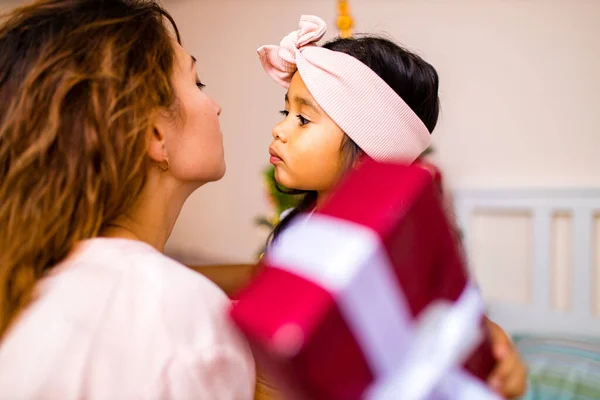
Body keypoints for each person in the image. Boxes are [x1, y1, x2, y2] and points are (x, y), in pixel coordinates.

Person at [260, 15, 527, 398]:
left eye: (303, 118)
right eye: (286, 112)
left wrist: (503, 360)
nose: (280, 129)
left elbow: (463, 326)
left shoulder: (397, 252)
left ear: (366, 152)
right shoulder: (294, 230)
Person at [0, 0, 255, 398]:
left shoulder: (33, 291)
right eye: (197, 82)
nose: (215, 105)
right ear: (154, 134)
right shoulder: (173, 311)